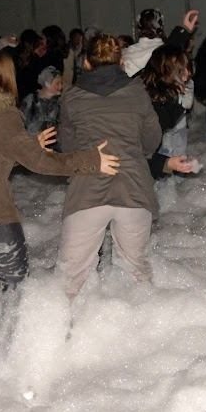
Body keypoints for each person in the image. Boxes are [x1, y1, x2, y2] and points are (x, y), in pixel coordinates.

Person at [0, 51, 119, 310]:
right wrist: (91, 160)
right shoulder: (3, 115)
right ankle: (9, 349)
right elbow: (42, 163)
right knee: (16, 293)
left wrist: (29, 146)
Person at [57, 34, 164, 303]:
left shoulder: (72, 96)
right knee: (136, 271)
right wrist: (135, 155)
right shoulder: (137, 92)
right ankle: (141, 334)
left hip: (87, 190)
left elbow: (67, 145)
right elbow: (152, 138)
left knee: (70, 279)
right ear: (121, 61)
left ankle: (63, 337)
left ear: (87, 62)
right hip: (133, 187)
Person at [20, 66, 63, 148]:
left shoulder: (59, 103)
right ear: (47, 83)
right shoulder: (31, 100)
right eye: (57, 84)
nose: (60, 87)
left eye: (61, 83)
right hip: (32, 145)